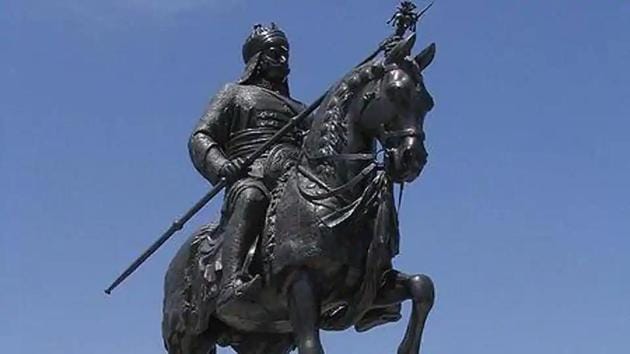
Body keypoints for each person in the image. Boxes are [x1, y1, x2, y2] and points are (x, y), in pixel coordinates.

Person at [188, 23, 308, 305]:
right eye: (275, 53)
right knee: (252, 196)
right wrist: (221, 165)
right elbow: (200, 136)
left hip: (292, 176)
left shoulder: (301, 109)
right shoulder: (233, 94)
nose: (283, 59)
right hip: (252, 174)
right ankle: (231, 281)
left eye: (285, 53)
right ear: (257, 59)